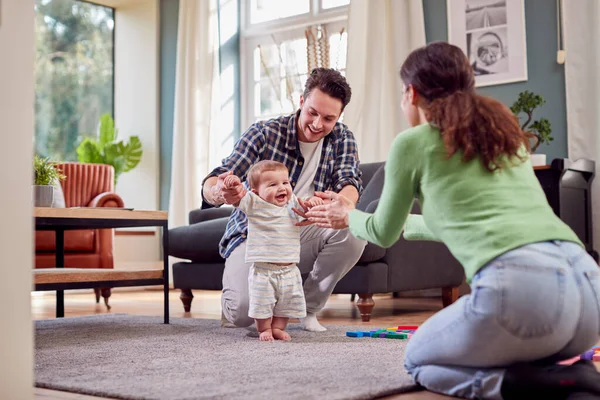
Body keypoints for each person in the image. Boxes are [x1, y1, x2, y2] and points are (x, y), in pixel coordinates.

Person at [301, 42, 600, 399]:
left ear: (411, 94)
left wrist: (348, 216)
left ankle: (520, 385)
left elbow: (380, 231)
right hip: (589, 292)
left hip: (525, 296)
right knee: (524, 341)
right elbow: (472, 225)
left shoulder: (413, 142)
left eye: (401, 93)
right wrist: (408, 225)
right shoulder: (504, 135)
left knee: (417, 360)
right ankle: (566, 374)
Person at [201, 67, 367, 332]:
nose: (317, 124)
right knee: (244, 316)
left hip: (301, 232)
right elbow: (217, 178)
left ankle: (306, 308)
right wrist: (220, 191)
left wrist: (345, 204)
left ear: (339, 116)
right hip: (254, 236)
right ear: (301, 102)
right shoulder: (265, 133)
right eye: (312, 113)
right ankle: (238, 303)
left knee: (354, 231)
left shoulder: (342, 138)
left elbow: (350, 181)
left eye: (328, 118)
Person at [223, 160, 323, 341]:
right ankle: (264, 329)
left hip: (289, 270)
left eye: (285, 183)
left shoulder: (292, 203)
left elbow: (305, 206)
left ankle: (277, 328)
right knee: (262, 303)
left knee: (286, 304)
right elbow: (238, 198)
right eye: (273, 185)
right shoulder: (254, 203)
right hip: (264, 270)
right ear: (257, 192)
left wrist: (312, 202)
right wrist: (234, 184)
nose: (282, 188)